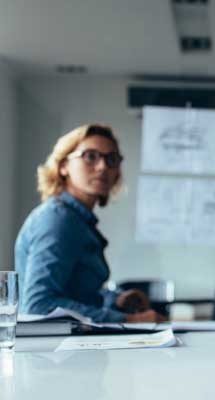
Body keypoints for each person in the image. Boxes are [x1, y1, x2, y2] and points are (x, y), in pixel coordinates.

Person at [15, 124, 164, 323]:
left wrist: (115, 300)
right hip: (55, 351)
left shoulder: (77, 220)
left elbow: (74, 295)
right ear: (63, 166)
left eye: (111, 159)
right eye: (90, 156)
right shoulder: (59, 219)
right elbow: (38, 306)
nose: (103, 167)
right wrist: (127, 320)